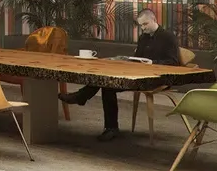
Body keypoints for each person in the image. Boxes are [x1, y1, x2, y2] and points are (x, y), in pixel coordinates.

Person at [66, 8, 179, 138]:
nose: (143, 28)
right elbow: (138, 58)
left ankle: (82, 97)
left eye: (145, 24)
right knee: (108, 84)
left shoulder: (168, 37)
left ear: (154, 19)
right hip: (139, 76)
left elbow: (173, 63)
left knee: (107, 85)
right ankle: (111, 128)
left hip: (158, 79)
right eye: (141, 25)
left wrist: (152, 63)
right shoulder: (143, 37)